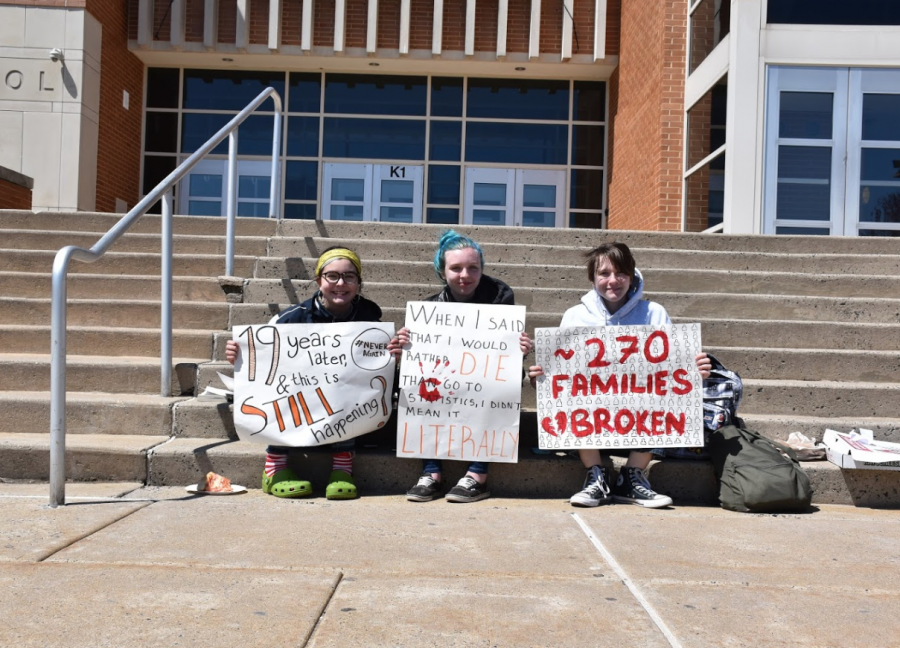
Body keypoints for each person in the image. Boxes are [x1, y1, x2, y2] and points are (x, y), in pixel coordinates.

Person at [528, 242, 711, 509]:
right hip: (595, 411)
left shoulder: (654, 313)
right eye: (604, 273)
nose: (613, 280)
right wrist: (542, 380)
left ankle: (631, 476)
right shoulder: (575, 315)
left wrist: (694, 375)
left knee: (661, 397)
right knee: (576, 400)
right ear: (592, 277)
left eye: (621, 273)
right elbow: (563, 376)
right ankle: (596, 476)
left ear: (632, 275)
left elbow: (671, 372)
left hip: (639, 407)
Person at [226, 246, 401, 500]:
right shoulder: (291, 318)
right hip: (301, 398)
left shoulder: (370, 314)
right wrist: (240, 355)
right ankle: (274, 467)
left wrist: (390, 352)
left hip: (339, 396)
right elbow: (263, 358)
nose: (341, 283)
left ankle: (342, 466)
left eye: (349, 276)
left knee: (351, 388)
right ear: (318, 280)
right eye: (332, 276)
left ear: (358, 282)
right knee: (279, 390)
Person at [397, 230, 533, 503]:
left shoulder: (500, 299)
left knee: (501, 381)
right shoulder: (429, 309)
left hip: (482, 381)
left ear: (482, 270)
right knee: (419, 384)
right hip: (446, 380)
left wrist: (520, 349)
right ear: (442, 271)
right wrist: (404, 347)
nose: (465, 275)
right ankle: (431, 471)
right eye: (456, 268)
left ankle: (477, 474)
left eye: (473, 268)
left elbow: (503, 358)